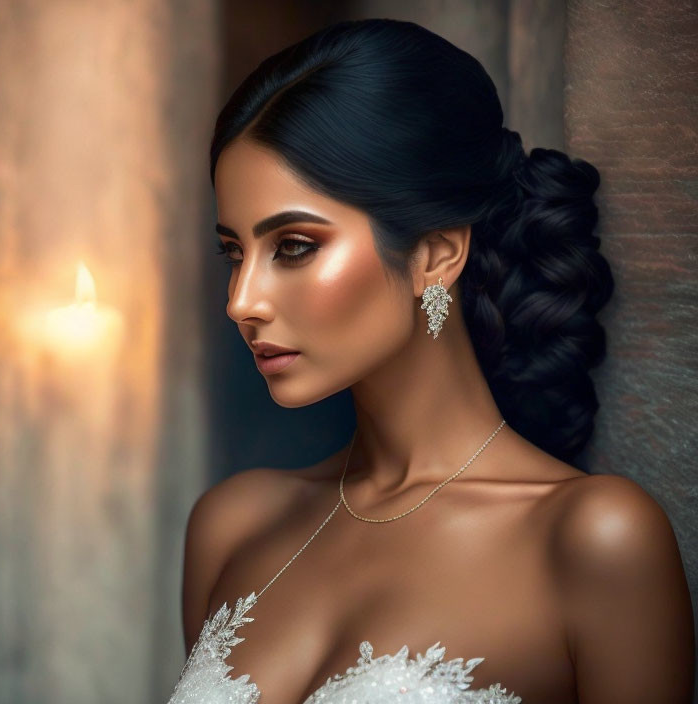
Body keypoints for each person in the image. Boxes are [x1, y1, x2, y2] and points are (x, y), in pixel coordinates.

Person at [166, 18, 694, 704]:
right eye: (233, 251)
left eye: (293, 246)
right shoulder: (233, 525)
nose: (242, 301)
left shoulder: (593, 539)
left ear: (436, 254)